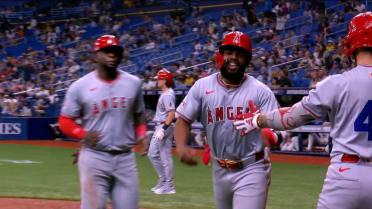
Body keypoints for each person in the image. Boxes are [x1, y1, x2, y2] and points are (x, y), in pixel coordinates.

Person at [233, 12, 372, 209]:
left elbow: (291, 118)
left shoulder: (337, 83)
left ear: (351, 42)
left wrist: (257, 120)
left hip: (346, 173)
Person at [174, 31, 278, 209]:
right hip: (219, 168)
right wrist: (181, 146)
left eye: (240, 54)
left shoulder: (261, 91)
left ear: (247, 59)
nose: (234, 58)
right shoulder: (202, 86)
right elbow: (183, 119)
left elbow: (276, 129)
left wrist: (269, 135)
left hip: (251, 167)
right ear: (221, 55)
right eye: (229, 52)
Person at [58, 35, 148, 209]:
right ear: (95, 56)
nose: (112, 55)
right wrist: (82, 134)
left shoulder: (133, 83)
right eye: (106, 52)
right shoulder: (80, 86)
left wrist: (141, 134)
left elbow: (139, 114)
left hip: (125, 159)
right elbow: (65, 120)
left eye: (115, 52)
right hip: (94, 157)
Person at [148, 69, 176, 195]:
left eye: (159, 78)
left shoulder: (168, 94)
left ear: (165, 80)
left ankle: (169, 186)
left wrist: (163, 130)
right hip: (160, 126)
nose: (157, 81)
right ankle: (164, 181)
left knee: (165, 157)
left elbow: (171, 113)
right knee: (153, 154)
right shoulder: (165, 93)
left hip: (164, 127)